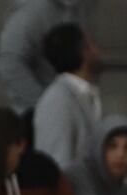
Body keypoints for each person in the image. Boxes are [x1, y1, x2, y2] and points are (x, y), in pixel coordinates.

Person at [0, 0, 98, 115]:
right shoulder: (34, 10)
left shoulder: (80, 7)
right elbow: (9, 62)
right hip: (37, 115)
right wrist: (45, 103)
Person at [32, 22, 103, 170]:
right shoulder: (57, 101)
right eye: (93, 44)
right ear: (85, 51)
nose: (99, 50)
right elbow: (57, 164)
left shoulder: (85, 94)